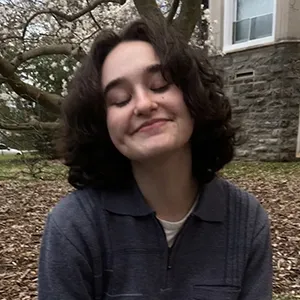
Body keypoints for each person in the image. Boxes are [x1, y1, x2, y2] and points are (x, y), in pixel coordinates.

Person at [38, 16, 272, 300]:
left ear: (192, 96)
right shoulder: (74, 226)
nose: (144, 105)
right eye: (120, 99)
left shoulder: (246, 220)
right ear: (102, 125)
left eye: (160, 84)